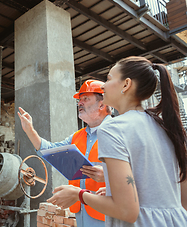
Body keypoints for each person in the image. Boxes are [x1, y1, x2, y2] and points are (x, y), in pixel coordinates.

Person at [47, 56, 187, 226]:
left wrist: (78, 194)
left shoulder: (112, 129)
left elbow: (127, 211)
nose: (104, 85)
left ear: (126, 85)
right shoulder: (166, 126)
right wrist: (117, 190)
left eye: (109, 79)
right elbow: (179, 195)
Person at [18, 79, 111, 227]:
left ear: (102, 104)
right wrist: (29, 130)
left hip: (108, 214)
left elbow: (139, 173)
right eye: (79, 100)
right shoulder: (77, 137)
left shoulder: (118, 131)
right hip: (81, 210)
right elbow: (50, 152)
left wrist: (108, 174)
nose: (80, 103)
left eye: (85, 99)